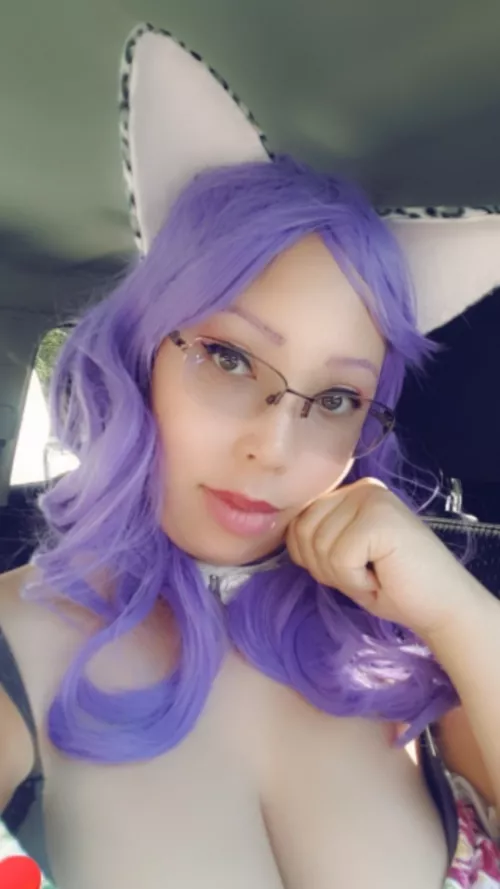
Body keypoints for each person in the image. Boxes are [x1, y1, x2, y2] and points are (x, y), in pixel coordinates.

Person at [1, 24, 499, 889]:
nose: (274, 446)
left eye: (336, 398)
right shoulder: (17, 643)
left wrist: (459, 612)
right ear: (140, 356)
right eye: (229, 358)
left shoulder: (406, 649)